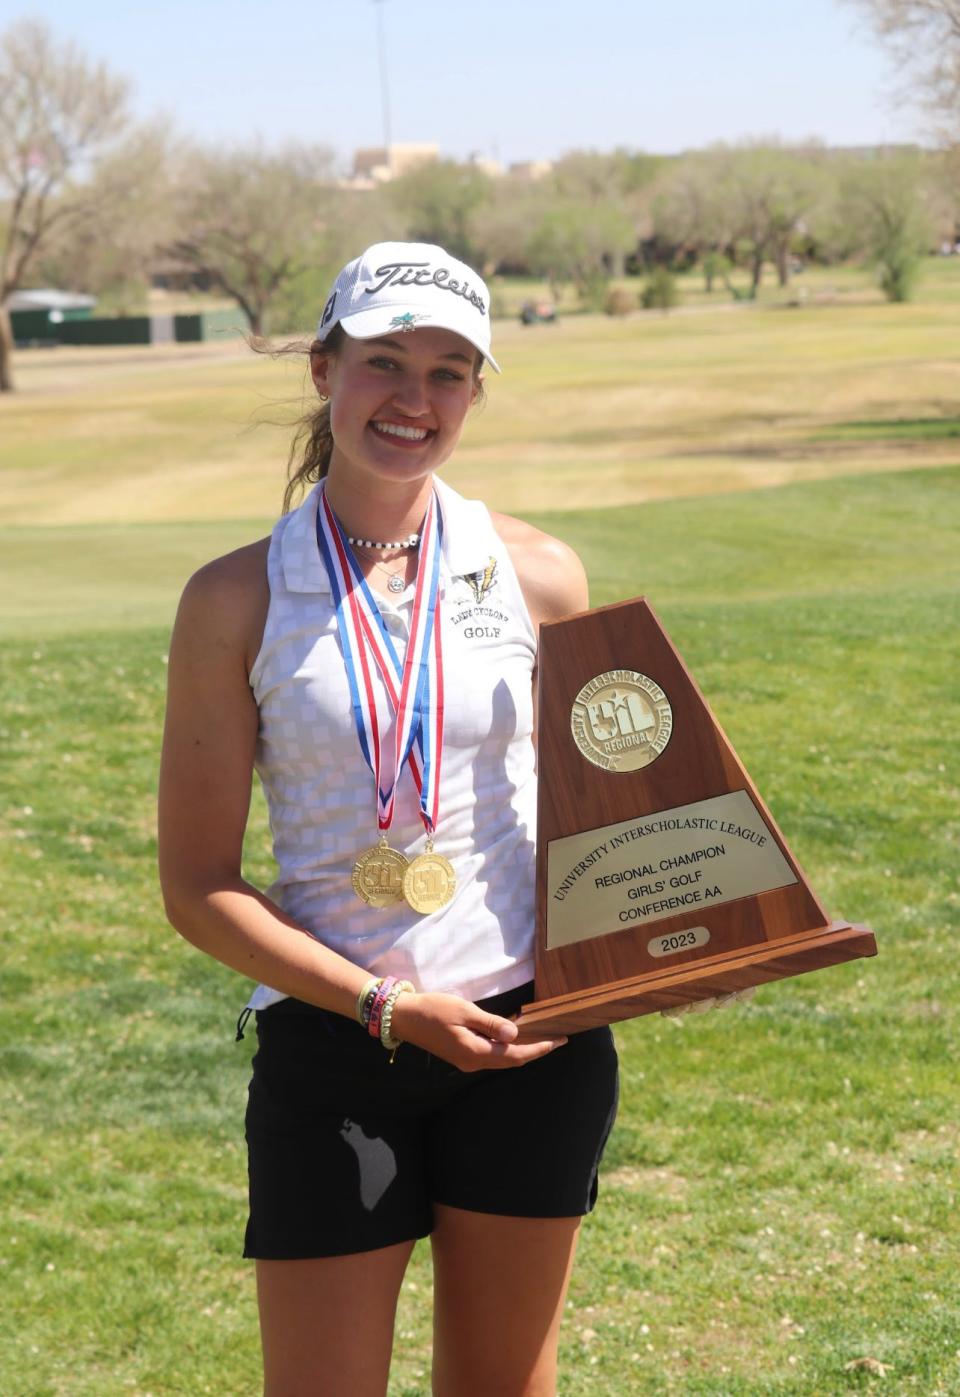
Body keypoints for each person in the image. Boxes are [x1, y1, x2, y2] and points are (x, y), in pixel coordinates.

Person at [158, 241, 619, 1397]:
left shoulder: (542, 575)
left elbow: (607, 832)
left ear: (477, 390)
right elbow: (197, 883)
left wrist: (675, 942)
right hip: (336, 1041)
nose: (415, 399)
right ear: (324, 369)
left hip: (529, 1044)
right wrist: (384, 1004)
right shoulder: (236, 597)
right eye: (385, 361)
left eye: (451, 370)